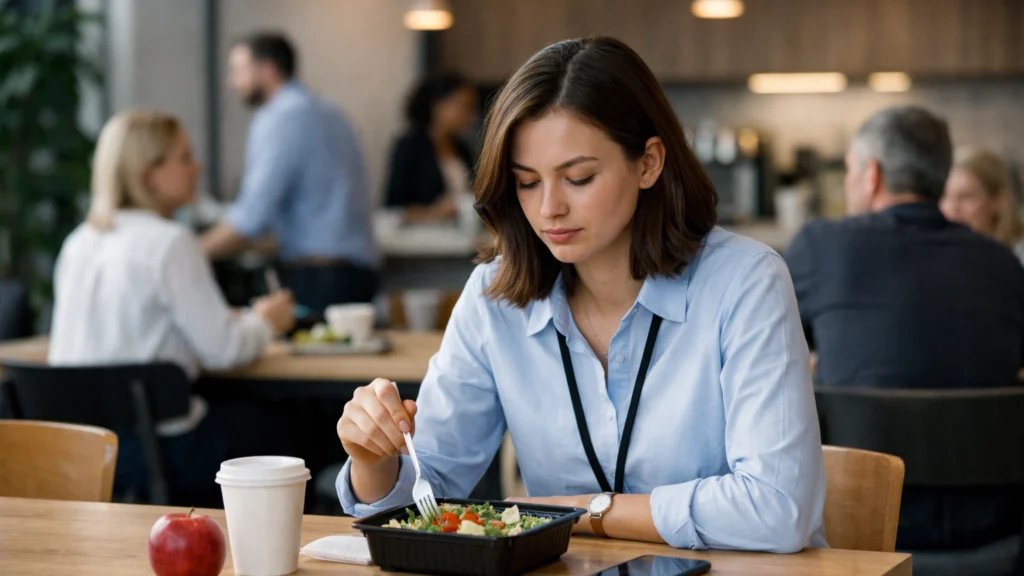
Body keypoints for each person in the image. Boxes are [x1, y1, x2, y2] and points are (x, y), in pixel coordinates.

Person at [335, 37, 826, 552]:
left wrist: (586, 511)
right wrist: (375, 458)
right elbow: (421, 502)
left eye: (578, 178)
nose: (549, 208)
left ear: (648, 163)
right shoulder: (494, 297)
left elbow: (777, 509)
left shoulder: (745, 282)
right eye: (526, 183)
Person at [784, 106, 1024, 550]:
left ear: (870, 175)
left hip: (855, 528)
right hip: (993, 528)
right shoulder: (1005, 266)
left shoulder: (821, 248)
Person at [49, 111, 296, 504]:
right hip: (158, 452)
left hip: (78, 450)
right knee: (292, 427)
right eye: (184, 157)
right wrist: (266, 322)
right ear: (149, 174)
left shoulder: (78, 241)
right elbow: (225, 349)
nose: (196, 167)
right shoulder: (170, 242)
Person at [201, 32, 378, 312]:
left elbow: (252, 218)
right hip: (357, 272)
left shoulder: (280, 117)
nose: (232, 83)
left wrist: (190, 253)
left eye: (238, 71)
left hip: (318, 277)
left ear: (267, 70)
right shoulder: (329, 111)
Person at [385, 73, 478, 224]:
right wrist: (436, 211)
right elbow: (393, 207)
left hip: (459, 234)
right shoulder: (410, 146)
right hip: (422, 238)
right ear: (438, 105)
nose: (470, 115)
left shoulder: (462, 148)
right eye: (464, 106)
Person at [940, 146, 1024, 264]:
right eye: (944, 196)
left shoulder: (1017, 259)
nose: (952, 208)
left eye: (966, 197)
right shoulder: (940, 255)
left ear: (998, 200)